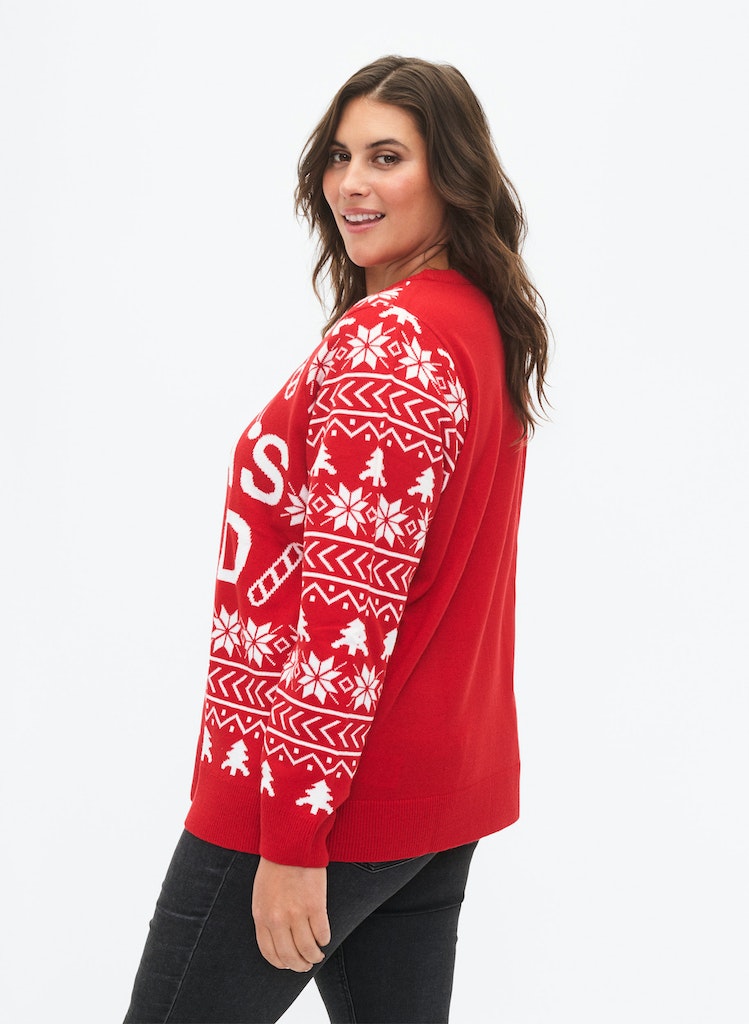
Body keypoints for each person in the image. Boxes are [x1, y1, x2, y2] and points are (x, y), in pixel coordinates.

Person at [123, 54, 549, 1024]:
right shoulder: (474, 323)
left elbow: (343, 615)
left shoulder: (389, 343)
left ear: (451, 176)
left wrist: (290, 838)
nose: (351, 183)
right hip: (429, 790)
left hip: (312, 793)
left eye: (386, 157)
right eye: (339, 156)